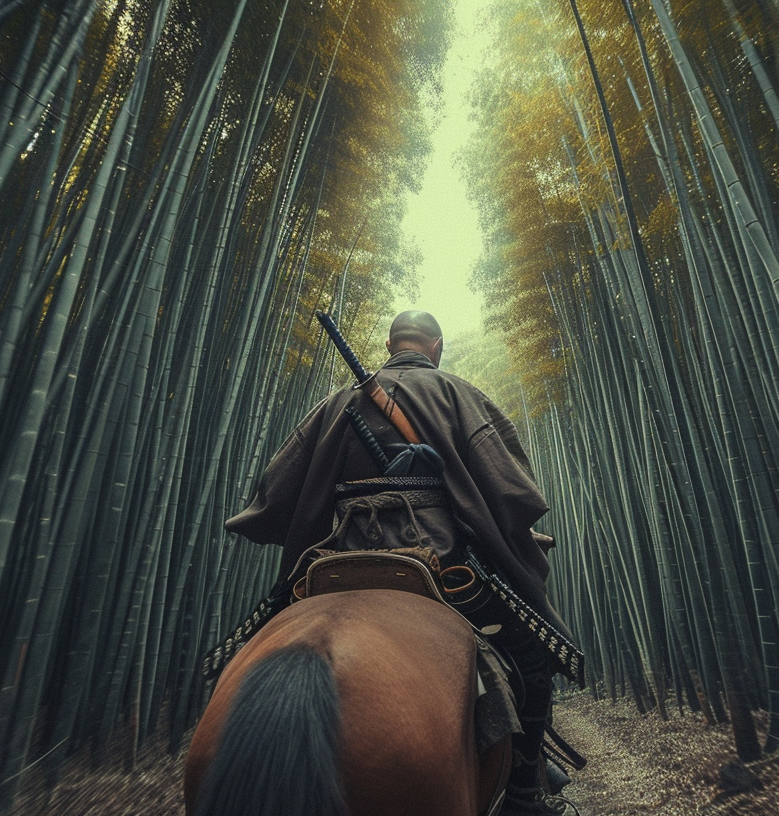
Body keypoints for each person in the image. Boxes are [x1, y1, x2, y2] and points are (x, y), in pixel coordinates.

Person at [224, 310, 575, 815]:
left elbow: (276, 493)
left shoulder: (337, 403)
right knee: (533, 656)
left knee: (238, 651)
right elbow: (511, 488)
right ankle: (524, 795)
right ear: (436, 348)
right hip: (441, 563)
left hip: (337, 556)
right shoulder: (457, 394)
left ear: (391, 344)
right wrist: (505, 528)